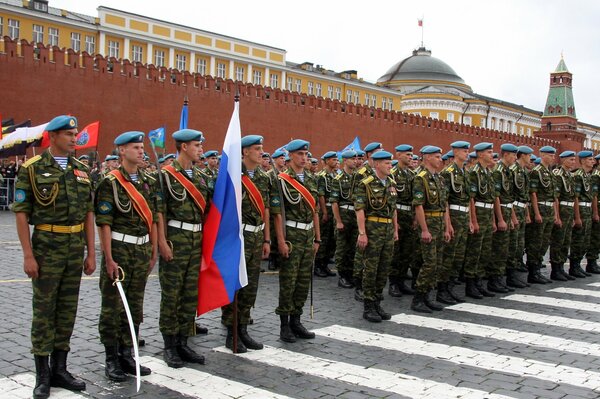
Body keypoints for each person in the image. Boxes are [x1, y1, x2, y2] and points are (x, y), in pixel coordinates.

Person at [13, 115, 96, 399]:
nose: (75, 139)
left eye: (75, 134)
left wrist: (90, 252)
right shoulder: (32, 169)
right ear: (54, 136)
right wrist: (28, 255)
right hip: (46, 247)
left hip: (74, 248)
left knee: (67, 310)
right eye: (70, 134)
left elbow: (88, 213)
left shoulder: (81, 170)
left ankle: (60, 368)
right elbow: (22, 214)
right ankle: (43, 374)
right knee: (44, 311)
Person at [95, 131, 158, 382]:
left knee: (134, 305)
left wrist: (153, 249)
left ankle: (127, 354)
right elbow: (104, 223)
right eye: (135, 147)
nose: (141, 151)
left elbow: (152, 217)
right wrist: (108, 258)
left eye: (141, 147)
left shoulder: (148, 181)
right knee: (113, 307)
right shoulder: (109, 182)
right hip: (119, 251)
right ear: (122, 151)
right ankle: (111, 358)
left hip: (141, 250)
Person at [157, 129, 210, 367]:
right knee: (172, 295)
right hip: (175, 241)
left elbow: (206, 211)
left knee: (190, 295)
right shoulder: (166, 176)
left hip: (196, 241)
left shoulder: (200, 177)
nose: (200, 149)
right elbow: (159, 213)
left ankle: (183, 341)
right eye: (197, 145)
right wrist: (162, 242)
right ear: (184, 147)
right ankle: (169, 346)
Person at [221, 135, 271, 352]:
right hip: (237, 237)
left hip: (257, 236)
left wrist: (267, 239)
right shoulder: (233, 175)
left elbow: (266, 210)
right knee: (236, 286)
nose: (261, 152)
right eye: (256, 149)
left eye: (261, 148)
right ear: (245, 152)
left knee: (250, 286)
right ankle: (231, 332)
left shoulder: (263, 177)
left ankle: (243, 329)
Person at [271, 139, 321, 342]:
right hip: (291, 236)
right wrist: (281, 241)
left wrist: (318, 238)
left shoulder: (311, 178)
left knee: (303, 281)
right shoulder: (281, 180)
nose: (304, 158)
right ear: (290, 156)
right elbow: (277, 214)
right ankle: (284, 325)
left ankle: (297, 320)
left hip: (308, 236)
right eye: (299, 154)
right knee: (288, 282)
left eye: (306, 154)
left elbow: (314, 210)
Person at [354, 150, 399, 322]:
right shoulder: (365, 184)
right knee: (371, 269)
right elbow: (360, 209)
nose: (390, 166)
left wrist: (395, 229)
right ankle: (368, 306)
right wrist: (362, 233)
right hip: (373, 229)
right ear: (377, 164)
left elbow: (393, 210)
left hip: (387, 229)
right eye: (387, 163)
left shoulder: (391, 183)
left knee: (383, 269)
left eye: (390, 163)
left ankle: (378, 303)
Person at [410, 146, 451, 312]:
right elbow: (419, 206)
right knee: (429, 263)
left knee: (437, 263)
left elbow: (445, 205)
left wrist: (447, 227)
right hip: (429, 222)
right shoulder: (421, 178)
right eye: (436, 156)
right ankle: (418, 298)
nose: (440, 160)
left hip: (440, 223)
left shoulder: (439, 178)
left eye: (440, 157)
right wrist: (424, 230)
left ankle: (427, 296)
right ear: (427, 158)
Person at [439, 141, 471, 303]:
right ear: (455, 152)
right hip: (453, 216)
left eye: (467, 151)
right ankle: (442, 289)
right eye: (464, 151)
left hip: (464, 217)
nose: (467, 154)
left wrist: (471, 220)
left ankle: (450, 287)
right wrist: (448, 224)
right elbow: (444, 201)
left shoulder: (465, 172)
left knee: (459, 256)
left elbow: (468, 199)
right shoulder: (448, 173)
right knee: (449, 255)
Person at [463, 142, 496, 299]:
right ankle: (470, 284)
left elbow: (491, 199)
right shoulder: (474, 173)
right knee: (474, 251)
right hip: (479, 213)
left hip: (488, 214)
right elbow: (471, 199)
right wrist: (474, 221)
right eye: (489, 152)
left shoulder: (488, 173)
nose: (492, 155)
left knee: (485, 251)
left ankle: (479, 282)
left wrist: (494, 220)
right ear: (481, 154)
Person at [351, 142, 382, 301]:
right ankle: (359, 285)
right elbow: (356, 198)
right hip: (366, 218)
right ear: (369, 155)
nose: (381, 154)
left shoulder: (381, 172)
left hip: (380, 221)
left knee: (376, 257)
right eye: (378, 152)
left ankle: (372, 287)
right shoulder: (361, 173)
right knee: (361, 252)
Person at [488, 143, 519, 293]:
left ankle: (501, 278)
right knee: (499, 248)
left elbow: (509, 198)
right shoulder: (498, 171)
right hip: (500, 212)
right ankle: (495, 280)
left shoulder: (507, 171)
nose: (515, 158)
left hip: (507, 211)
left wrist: (512, 217)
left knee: (506, 248)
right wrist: (500, 219)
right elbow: (496, 197)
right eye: (513, 155)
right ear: (506, 155)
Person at [527, 146, 559, 284]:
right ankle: (533, 271)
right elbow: (533, 193)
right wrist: (537, 213)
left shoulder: (550, 172)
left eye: (553, 155)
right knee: (536, 241)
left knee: (545, 241)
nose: (553, 158)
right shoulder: (536, 172)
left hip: (549, 209)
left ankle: (538, 268)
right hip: (540, 208)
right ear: (543, 156)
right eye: (550, 155)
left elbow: (553, 196)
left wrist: (555, 214)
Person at [389, 144, 417, 297]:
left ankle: (401, 281)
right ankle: (393, 283)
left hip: (409, 216)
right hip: (398, 215)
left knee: (407, 251)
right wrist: (395, 221)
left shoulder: (412, 175)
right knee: (396, 253)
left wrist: (414, 218)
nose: (410, 157)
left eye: (411, 155)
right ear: (398, 155)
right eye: (407, 154)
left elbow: (414, 199)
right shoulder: (392, 174)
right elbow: (392, 201)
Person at [330, 150, 358, 288]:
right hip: (344, 214)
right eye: (352, 159)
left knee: (354, 247)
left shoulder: (358, 178)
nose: (355, 161)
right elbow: (334, 202)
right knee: (342, 248)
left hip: (355, 216)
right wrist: (339, 221)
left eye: (356, 158)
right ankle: (342, 276)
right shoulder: (338, 179)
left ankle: (351, 273)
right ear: (345, 161)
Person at [507, 146, 533, 288]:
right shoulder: (512, 171)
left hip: (522, 209)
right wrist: (513, 216)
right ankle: (511, 275)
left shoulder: (523, 172)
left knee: (519, 244)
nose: (530, 158)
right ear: (522, 155)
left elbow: (526, 195)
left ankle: (515, 273)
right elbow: (509, 196)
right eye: (529, 155)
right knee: (513, 244)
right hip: (514, 208)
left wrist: (527, 213)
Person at [549, 151, 577, 281]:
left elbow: (572, 197)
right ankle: (555, 269)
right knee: (558, 241)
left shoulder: (570, 175)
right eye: (571, 160)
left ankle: (561, 267)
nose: (573, 162)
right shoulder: (558, 175)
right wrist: (557, 216)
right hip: (562, 210)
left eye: (574, 160)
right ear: (563, 160)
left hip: (569, 210)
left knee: (566, 241)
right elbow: (556, 197)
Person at [570, 151, 598, 276]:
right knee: (578, 239)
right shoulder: (578, 175)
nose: (593, 162)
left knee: (585, 240)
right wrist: (577, 217)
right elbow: (575, 197)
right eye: (590, 159)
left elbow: (592, 196)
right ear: (582, 161)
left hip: (588, 210)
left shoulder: (587, 176)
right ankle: (574, 267)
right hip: (581, 210)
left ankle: (579, 265)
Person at [314, 151, 338, 277]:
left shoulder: (335, 175)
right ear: (327, 161)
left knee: (331, 239)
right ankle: (318, 264)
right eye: (333, 159)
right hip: (326, 208)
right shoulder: (322, 176)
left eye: (336, 159)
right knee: (323, 238)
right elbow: (321, 195)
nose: (336, 161)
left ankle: (325, 264)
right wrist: (324, 212)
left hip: (334, 209)